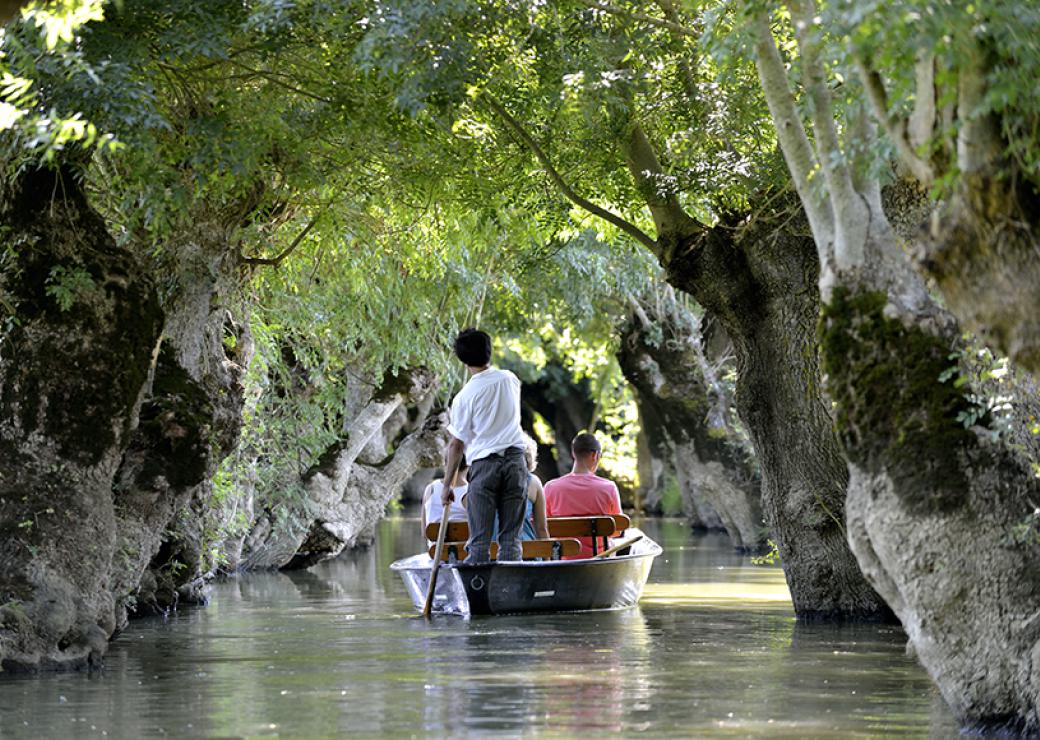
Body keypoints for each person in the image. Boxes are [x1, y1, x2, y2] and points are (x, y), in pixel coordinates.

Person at [441, 328, 528, 563]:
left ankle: (477, 590)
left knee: (479, 543)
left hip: (484, 465)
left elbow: (456, 445)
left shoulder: (464, 397)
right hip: (515, 462)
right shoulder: (510, 379)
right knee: (511, 541)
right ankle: (510, 589)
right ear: (489, 351)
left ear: (462, 360)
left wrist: (447, 484)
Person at [544, 432, 623, 559]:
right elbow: (617, 530)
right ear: (595, 455)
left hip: (564, 557)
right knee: (613, 543)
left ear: (573, 454)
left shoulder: (550, 487)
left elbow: (544, 528)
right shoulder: (609, 487)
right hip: (598, 556)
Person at [489, 434, 550, 542]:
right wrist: (548, 558)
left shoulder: (487, 482)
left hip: (492, 552)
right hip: (527, 551)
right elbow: (541, 528)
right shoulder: (533, 482)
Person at [420, 457, 470, 544]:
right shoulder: (470, 492)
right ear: (468, 465)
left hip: (435, 553)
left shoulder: (430, 488)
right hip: (463, 554)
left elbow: (425, 533)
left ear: (445, 463)